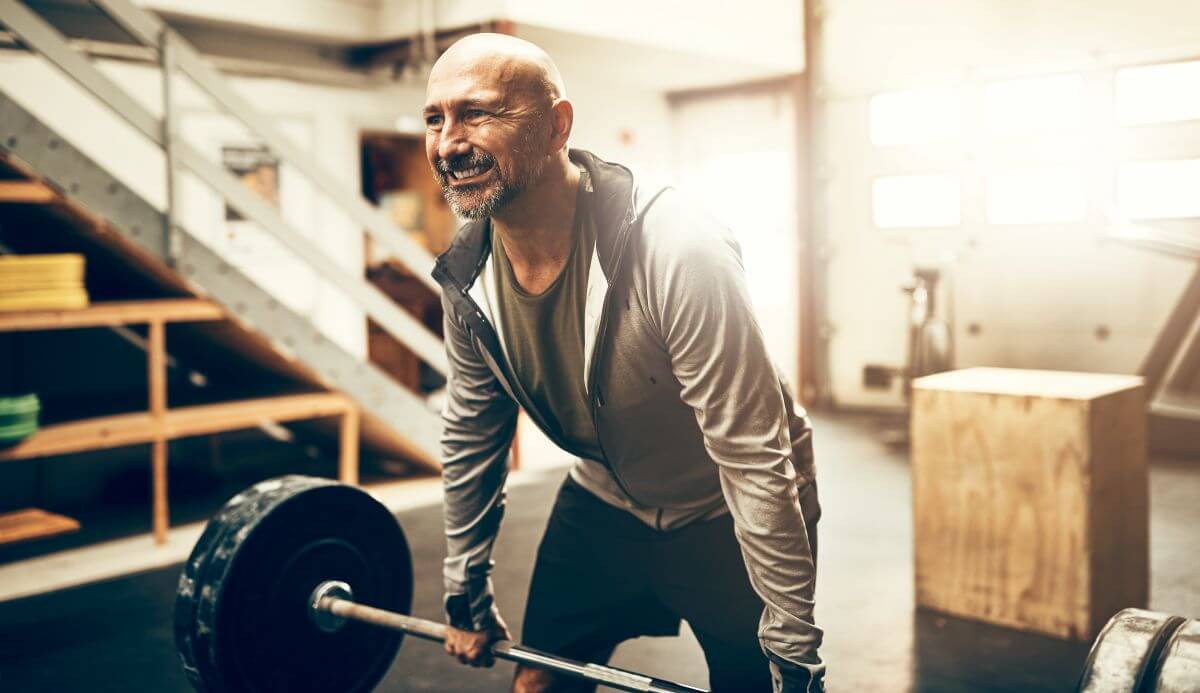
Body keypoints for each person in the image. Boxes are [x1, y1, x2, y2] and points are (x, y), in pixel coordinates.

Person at [425, 33, 824, 693]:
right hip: (603, 497)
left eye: (478, 113)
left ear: (557, 126)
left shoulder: (675, 244)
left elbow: (752, 453)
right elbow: (473, 429)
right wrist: (464, 580)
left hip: (722, 505)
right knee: (539, 682)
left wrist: (795, 648)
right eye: (435, 119)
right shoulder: (469, 271)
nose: (448, 143)